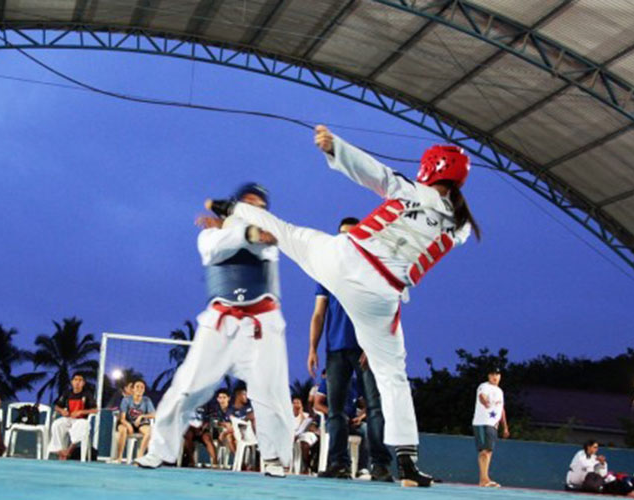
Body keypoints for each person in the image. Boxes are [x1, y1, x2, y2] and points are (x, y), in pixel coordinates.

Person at [206, 126, 481, 487]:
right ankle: (407, 462)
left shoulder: (414, 191)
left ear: (431, 168)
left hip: (348, 259)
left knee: (288, 233)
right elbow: (441, 216)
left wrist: (337, 148)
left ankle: (234, 209)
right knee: (393, 376)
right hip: (382, 294)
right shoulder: (459, 226)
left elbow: (375, 173)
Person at [137, 183, 294, 478]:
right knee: (186, 387)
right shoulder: (209, 236)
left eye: (260, 208)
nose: (253, 211)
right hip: (219, 324)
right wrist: (239, 230)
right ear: (234, 207)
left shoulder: (271, 239)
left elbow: (260, 243)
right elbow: (216, 248)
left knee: (270, 393)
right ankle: (161, 451)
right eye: (247, 204)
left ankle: (273, 457)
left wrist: (244, 231)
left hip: (262, 324)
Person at [309, 216, 393, 481]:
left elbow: (383, 311)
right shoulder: (327, 272)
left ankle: (380, 465)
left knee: (375, 408)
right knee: (335, 411)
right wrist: (312, 348)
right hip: (335, 350)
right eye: (343, 235)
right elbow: (319, 314)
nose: (347, 239)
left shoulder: (372, 271)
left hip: (366, 348)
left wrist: (373, 343)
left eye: (352, 234)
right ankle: (339, 464)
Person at [472, 366, 509, 487]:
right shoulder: (484, 386)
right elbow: (482, 396)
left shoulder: (500, 391)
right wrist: (485, 402)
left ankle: (485, 478)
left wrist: (505, 427)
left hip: (493, 424)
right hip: (482, 422)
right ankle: (484, 479)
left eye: (497, 374)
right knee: (484, 451)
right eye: (493, 374)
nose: (495, 377)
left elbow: (501, 409)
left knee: (489, 451)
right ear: (489, 376)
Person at [48, 372, 97, 460]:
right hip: (69, 418)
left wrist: (81, 411)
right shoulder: (67, 393)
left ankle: (69, 451)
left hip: (81, 420)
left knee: (80, 426)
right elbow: (57, 406)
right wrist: (62, 411)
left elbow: (95, 410)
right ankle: (60, 451)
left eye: (80, 380)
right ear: (72, 382)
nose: (77, 382)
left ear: (83, 383)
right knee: (57, 424)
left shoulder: (87, 394)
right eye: (75, 380)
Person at [115, 379, 155, 462]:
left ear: (144, 390)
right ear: (133, 389)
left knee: (149, 431)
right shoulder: (126, 400)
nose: (139, 389)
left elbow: (154, 415)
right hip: (127, 423)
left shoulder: (147, 400)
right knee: (123, 430)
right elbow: (122, 418)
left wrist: (142, 416)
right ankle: (119, 458)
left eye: (142, 387)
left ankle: (139, 458)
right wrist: (128, 425)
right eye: (137, 387)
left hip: (140, 424)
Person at [292, 396, 318, 475]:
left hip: (303, 435)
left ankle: (306, 465)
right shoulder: (288, 415)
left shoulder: (306, 416)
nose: (296, 405)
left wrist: (301, 412)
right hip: (292, 435)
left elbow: (306, 426)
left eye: (298, 403)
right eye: (294, 403)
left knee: (305, 441)